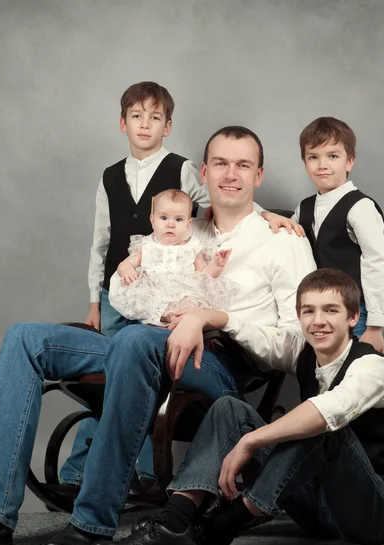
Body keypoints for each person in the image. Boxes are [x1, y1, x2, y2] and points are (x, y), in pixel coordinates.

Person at [0, 125, 316, 545]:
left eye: (243, 165)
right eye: (220, 163)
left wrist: (212, 318)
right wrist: (128, 275)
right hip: (140, 344)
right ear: (203, 171)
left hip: (217, 363)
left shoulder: (282, 239)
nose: (230, 174)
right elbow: (129, 293)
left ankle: (90, 520)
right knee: (25, 338)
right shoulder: (178, 228)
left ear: (259, 174)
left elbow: (296, 345)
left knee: (136, 340)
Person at [90, 268, 384, 545]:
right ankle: (175, 524)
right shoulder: (301, 349)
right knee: (229, 407)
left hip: (374, 514)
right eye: (308, 311)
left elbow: (328, 410)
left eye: (331, 310)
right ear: (299, 316)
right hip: (315, 509)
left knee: (324, 424)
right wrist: (201, 317)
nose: (318, 321)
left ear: (353, 317)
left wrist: (252, 439)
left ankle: (221, 526)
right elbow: (251, 333)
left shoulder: (373, 367)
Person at [66, 81, 285, 488]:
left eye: (154, 118)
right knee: (109, 379)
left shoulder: (182, 168)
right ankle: (80, 469)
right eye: (136, 117)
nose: (144, 125)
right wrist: (94, 299)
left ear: (167, 126)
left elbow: (226, 196)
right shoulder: (110, 176)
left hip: (165, 294)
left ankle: (144, 471)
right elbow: (100, 240)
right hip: (119, 294)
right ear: (122, 123)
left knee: (139, 373)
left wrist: (266, 215)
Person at [267, 117, 384, 353]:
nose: (322, 165)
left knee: (355, 369)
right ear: (305, 163)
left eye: (332, 156)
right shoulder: (304, 207)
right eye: (314, 157)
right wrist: (265, 215)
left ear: (349, 161)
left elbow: (378, 263)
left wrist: (375, 326)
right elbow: (286, 235)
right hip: (318, 310)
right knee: (325, 370)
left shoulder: (360, 207)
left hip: (354, 311)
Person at [109, 189, 238, 326]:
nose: (171, 224)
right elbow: (125, 264)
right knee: (145, 300)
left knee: (191, 303)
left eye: (178, 219)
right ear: (152, 221)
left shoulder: (192, 246)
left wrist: (217, 265)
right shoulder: (146, 244)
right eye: (163, 218)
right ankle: (164, 318)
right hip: (153, 290)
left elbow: (204, 275)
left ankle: (178, 319)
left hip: (181, 292)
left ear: (188, 225)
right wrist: (127, 269)